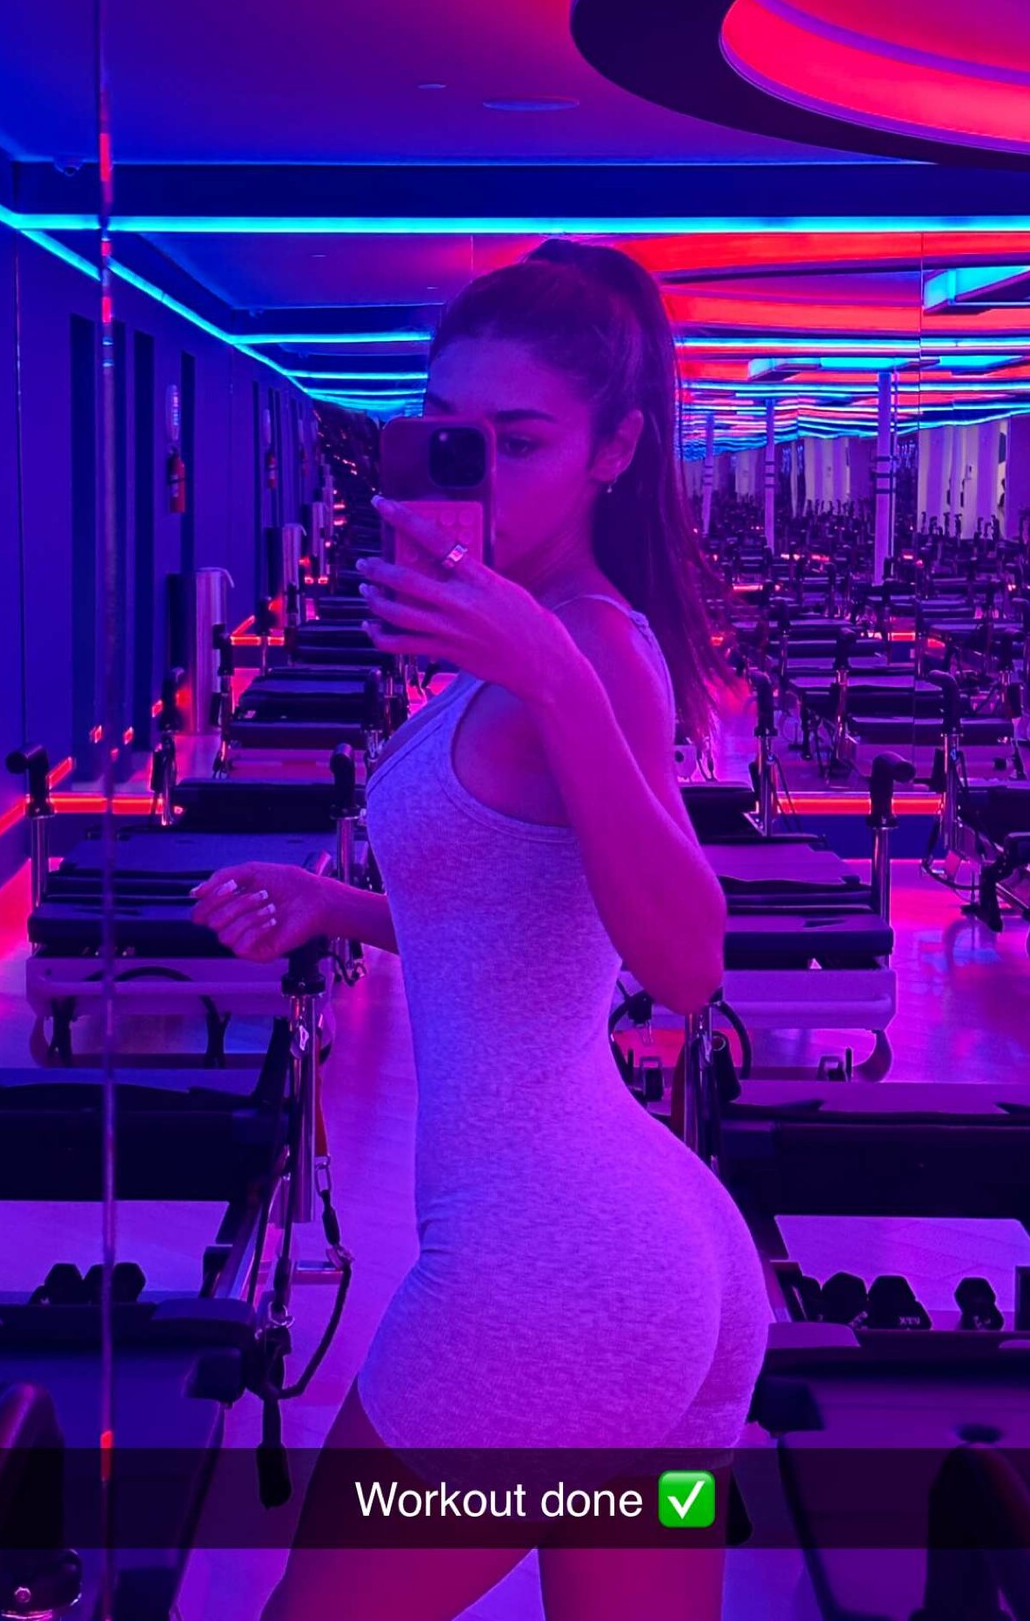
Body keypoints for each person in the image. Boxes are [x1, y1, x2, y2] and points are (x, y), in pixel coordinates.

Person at [192, 240, 770, 1620]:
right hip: (646, 1261)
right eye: (453, 436)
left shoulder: (587, 647)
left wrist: (553, 677)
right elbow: (524, 927)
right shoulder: (529, 634)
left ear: (613, 451)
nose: (481, 473)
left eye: (523, 441)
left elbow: (688, 964)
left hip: (547, 1279)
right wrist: (342, 904)